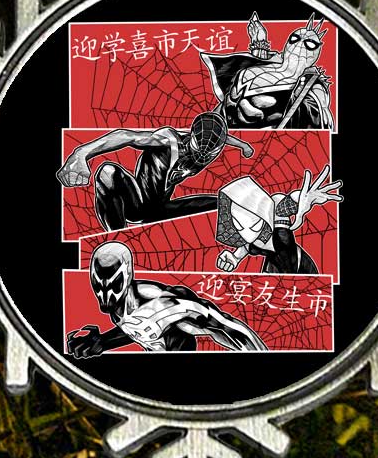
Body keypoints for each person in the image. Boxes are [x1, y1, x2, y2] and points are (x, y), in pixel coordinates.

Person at [57, 111, 253, 231]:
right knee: (108, 172)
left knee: (226, 202)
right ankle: (115, 237)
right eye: (196, 150)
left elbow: (221, 135)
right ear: (191, 137)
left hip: (160, 209)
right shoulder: (168, 140)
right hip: (138, 205)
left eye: (208, 154)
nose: (201, 157)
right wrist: (82, 153)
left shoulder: (214, 144)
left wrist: (243, 145)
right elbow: (126, 136)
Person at [67, 241, 266, 355]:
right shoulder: (119, 309)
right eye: (99, 285)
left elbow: (223, 325)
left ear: (127, 275)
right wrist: (102, 342)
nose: (106, 294)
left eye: (114, 284)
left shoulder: (164, 302)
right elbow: (139, 328)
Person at [200, 12, 335, 129]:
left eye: (310, 43)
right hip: (221, 131)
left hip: (267, 141)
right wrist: (259, 41)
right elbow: (225, 105)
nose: (299, 44)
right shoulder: (258, 66)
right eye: (295, 38)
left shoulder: (310, 84)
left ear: (316, 53)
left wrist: (319, 106)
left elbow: (319, 114)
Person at [214, 166, 342, 274]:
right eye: (239, 226)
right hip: (275, 274)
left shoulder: (277, 220)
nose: (246, 233)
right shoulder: (252, 239)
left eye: (254, 225)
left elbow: (285, 205)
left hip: (302, 270)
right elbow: (247, 246)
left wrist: (300, 199)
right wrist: (235, 258)